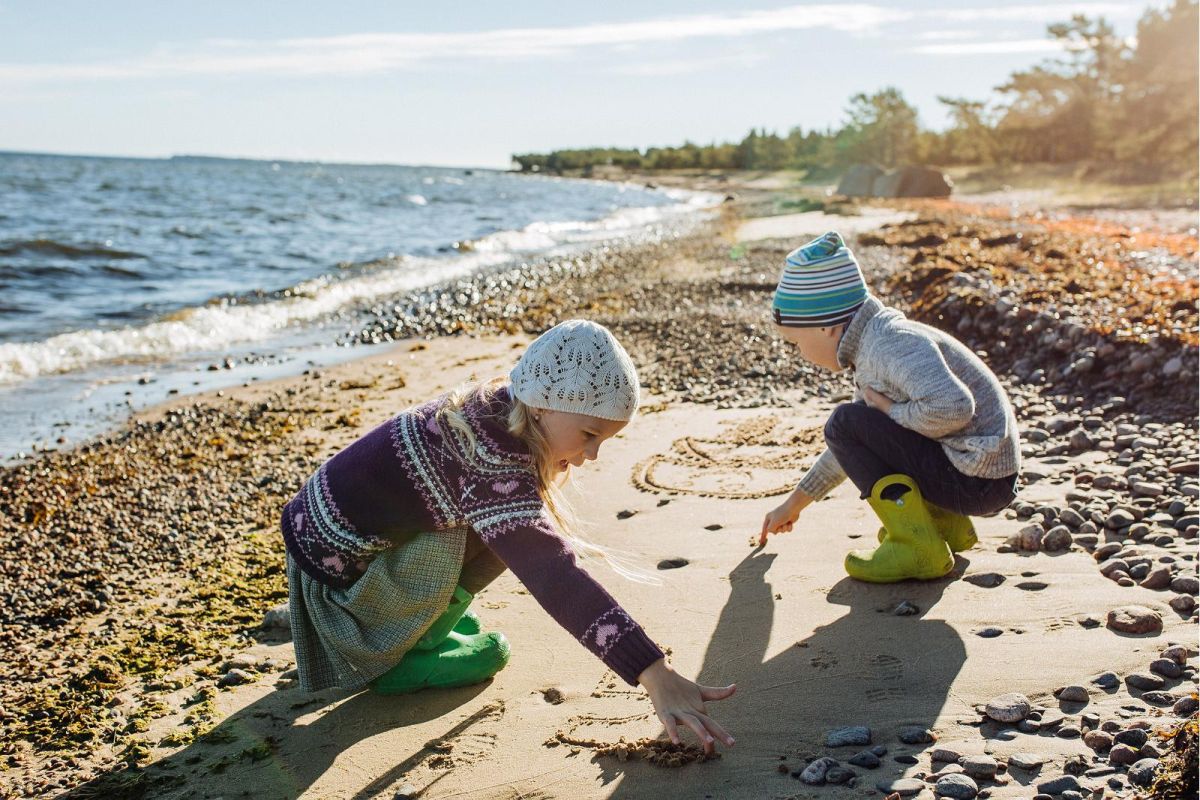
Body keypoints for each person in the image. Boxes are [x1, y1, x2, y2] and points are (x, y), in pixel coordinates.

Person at [281, 319, 735, 753]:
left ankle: (423, 626)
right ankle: (395, 660)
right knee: (505, 588)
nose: (592, 454)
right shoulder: (491, 461)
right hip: (339, 600)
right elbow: (553, 575)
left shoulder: (495, 406)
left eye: (603, 441)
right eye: (589, 434)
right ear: (543, 405)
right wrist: (653, 672)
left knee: (511, 524)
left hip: (336, 561)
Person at [759, 231, 1020, 582]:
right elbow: (853, 447)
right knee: (853, 426)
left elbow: (956, 407)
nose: (800, 355)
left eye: (796, 343)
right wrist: (793, 506)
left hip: (979, 480)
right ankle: (945, 526)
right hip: (979, 473)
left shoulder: (888, 346)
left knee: (843, 423)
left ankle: (919, 547)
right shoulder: (874, 342)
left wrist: (892, 412)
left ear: (826, 327)